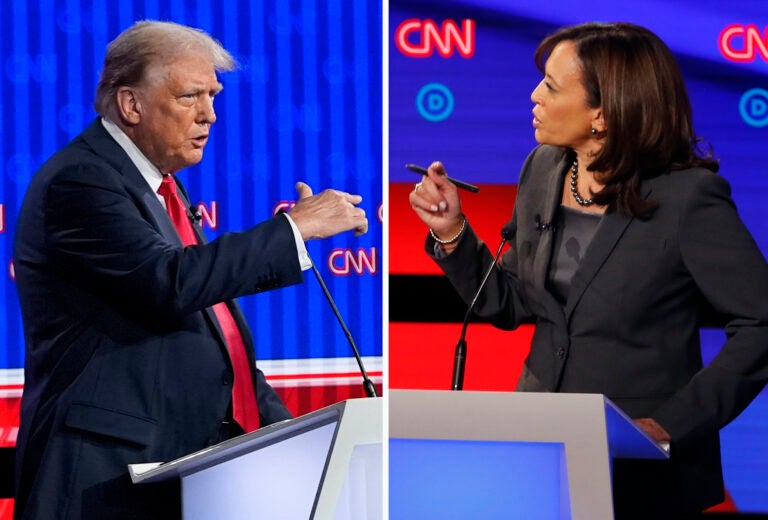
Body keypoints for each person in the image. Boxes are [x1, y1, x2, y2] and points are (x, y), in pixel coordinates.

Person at [409, 22, 768, 518]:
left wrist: (669, 423)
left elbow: (761, 325)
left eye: (552, 87)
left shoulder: (688, 199)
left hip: (642, 468)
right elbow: (511, 302)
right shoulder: (542, 167)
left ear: (602, 113)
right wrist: (452, 232)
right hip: (541, 452)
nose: (534, 95)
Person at [13, 21, 368, 519]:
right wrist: (294, 231)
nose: (209, 115)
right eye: (189, 97)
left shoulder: (163, 187)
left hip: (180, 474)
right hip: (104, 481)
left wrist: (297, 444)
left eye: (213, 96)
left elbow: (215, 345)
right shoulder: (82, 180)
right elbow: (170, 282)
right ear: (131, 104)